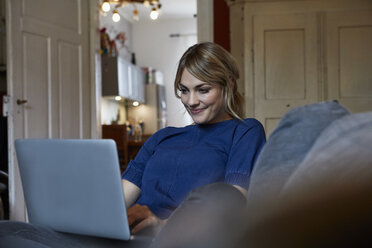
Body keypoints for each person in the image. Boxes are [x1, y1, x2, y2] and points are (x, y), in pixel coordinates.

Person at [122, 42, 266, 236]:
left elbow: (234, 202)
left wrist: (163, 225)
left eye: (203, 90)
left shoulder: (245, 131)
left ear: (229, 84)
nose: (191, 102)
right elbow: (118, 200)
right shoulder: (162, 137)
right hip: (132, 235)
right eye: (184, 90)